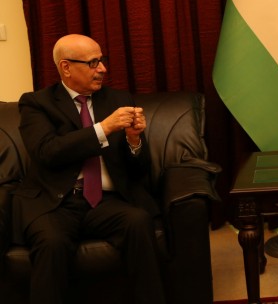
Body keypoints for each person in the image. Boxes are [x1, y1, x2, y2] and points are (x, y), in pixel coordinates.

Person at [14, 34, 165, 304]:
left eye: (102, 60)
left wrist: (134, 140)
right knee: (52, 244)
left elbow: (139, 169)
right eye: (93, 63)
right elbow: (47, 151)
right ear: (66, 67)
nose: (103, 69)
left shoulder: (118, 99)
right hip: (56, 202)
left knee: (139, 222)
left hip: (107, 200)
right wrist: (103, 129)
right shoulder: (36, 104)